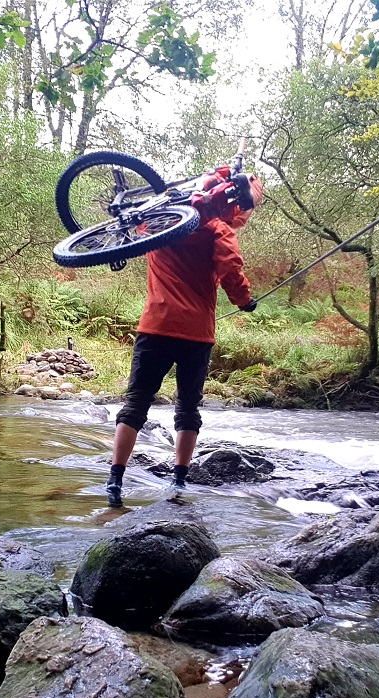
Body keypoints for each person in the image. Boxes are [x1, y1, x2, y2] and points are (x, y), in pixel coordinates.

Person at [105, 175, 264, 507]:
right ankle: (179, 480)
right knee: (188, 407)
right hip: (197, 334)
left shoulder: (159, 224)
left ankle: (115, 480)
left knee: (136, 404)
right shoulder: (218, 228)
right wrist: (244, 300)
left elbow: (133, 231)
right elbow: (231, 269)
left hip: (156, 326)